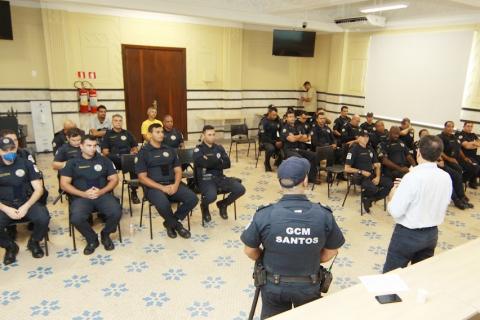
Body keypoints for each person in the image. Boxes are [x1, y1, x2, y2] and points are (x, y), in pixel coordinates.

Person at [241, 156, 345, 319]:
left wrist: (265, 257)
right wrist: (308, 258)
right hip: (309, 286)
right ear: (305, 180)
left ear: (280, 182)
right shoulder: (324, 215)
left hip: (273, 286)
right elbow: (332, 251)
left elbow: (249, 250)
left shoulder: (264, 214)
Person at [383, 135, 452, 273]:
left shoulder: (412, 177)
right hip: (431, 234)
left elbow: (396, 211)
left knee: (391, 278)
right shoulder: (446, 177)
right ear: (439, 155)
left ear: (418, 152)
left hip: (408, 235)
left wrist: (393, 196)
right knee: (419, 275)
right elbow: (441, 201)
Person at [60, 135, 122, 255]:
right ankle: (92, 239)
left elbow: (114, 179)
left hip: (102, 194)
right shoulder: (72, 162)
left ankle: (105, 234)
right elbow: (64, 184)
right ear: (81, 146)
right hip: (81, 197)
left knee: (116, 212)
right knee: (76, 218)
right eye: (89, 146)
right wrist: (83, 193)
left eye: (94, 146)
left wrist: (101, 191)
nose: (92, 149)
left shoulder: (104, 160)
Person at [135, 123, 197, 239]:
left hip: (172, 183)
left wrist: (175, 185)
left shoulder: (170, 149)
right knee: (163, 204)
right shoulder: (143, 152)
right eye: (157, 132)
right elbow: (142, 177)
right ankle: (177, 226)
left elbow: (178, 171)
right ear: (149, 135)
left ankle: (169, 222)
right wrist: (162, 188)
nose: (161, 134)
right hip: (154, 188)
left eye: (162, 132)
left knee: (193, 199)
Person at [0, 137, 50, 265]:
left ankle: (34, 241)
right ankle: (10, 246)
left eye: (12, 149)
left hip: (26, 201)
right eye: (5, 150)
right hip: (5, 205)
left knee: (43, 218)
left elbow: (38, 189)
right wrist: (6, 209)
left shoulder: (26, 164)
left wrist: (26, 206)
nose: (9, 152)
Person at [193, 125, 245, 223]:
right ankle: (204, 206)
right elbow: (202, 163)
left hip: (220, 178)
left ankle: (223, 204)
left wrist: (209, 162)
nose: (212, 137)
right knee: (212, 196)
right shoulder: (198, 150)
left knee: (240, 189)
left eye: (213, 134)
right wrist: (218, 162)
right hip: (205, 179)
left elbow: (227, 163)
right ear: (203, 135)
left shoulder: (219, 148)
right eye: (209, 135)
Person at [418, 129, 473, 210]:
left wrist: (441, 161)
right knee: (447, 179)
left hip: (439, 165)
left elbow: (438, 155)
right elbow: (420, 159)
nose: (426, 136)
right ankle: (456, 200)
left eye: (427, 135)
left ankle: (462, 196)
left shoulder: (432, 145)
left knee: (456, 175)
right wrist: (437, 163)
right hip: (428, 167)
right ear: (420, 136)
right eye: (423, 135)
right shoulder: (418, 145)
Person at [344, 131, 393, 213]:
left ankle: (369, 199)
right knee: (374, 189)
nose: (366, 138)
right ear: (358, 138)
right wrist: (361, 171)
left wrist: (378, 177)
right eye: (363, 136)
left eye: (367, 136)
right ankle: (367, 197)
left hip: (371, 174)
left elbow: (377, 165)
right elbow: (347, 168)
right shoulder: (353, 150)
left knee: (390, 184)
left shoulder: (370, 148)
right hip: (359, 176)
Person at [101, 114, 140, 204]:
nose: (118, 122)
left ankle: (134, 192)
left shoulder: (127, 133)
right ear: (112, 122)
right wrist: (115, 156)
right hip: (114, 160)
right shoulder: (108, 134)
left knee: (135, 163)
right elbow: (105, 152)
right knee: (105, 165)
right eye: (116, 120)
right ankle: (108, 192)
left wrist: (134, 151)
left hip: (127, 158)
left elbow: (135, 147)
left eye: (120, 120)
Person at [280, 110, 320, 185]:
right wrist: (299, 136)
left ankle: (312, 178)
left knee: (313, 155)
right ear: (286, 118)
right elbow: (291, 140)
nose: (292, 118)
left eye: (293, 117)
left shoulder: (297, 126)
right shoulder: (284, 128)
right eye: (290, 117)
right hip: (289, 150)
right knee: (301, 159)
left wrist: (296, 137)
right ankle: (300, 179)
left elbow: (305, 138)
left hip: (298, 149)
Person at [438, 121, 479, 189]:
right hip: (448, 160)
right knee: (459, 169)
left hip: (460, 158)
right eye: (448, 126)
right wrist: (450, 159)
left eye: (452, 127)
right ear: (444, 127)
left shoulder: (454, 137)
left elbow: (459, 149)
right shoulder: (439, 137)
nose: (450, 128)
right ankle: (457, 185)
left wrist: (465, 158)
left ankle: (461, 181)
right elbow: (440, 151)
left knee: (474, 167)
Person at [310, 113, 336, 179]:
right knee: (330, 153)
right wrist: (327, 146)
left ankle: (330, 174)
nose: (322, 120)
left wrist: (334, 144)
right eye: (321, 118)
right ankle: (315, 174)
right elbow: (314, 142)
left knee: (339, 152)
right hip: (318, 149)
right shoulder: (314, 129)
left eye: (324, 118)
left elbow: (333, 139)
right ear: (317, 119)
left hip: (328, 149)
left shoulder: (328, 128)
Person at [258, 106, 283, 172]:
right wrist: (275, 142)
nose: (275, 116)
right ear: (269, 113)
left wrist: (280, 140)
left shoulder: (277, 120)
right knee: (271, 148)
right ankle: (266, 163)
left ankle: (278, 162)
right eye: (273, 115)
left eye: (276, 115)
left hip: (274, 140)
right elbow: (263, 136)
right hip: (265, 141)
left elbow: (281, 130)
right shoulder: (263, 122)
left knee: (284, 145)